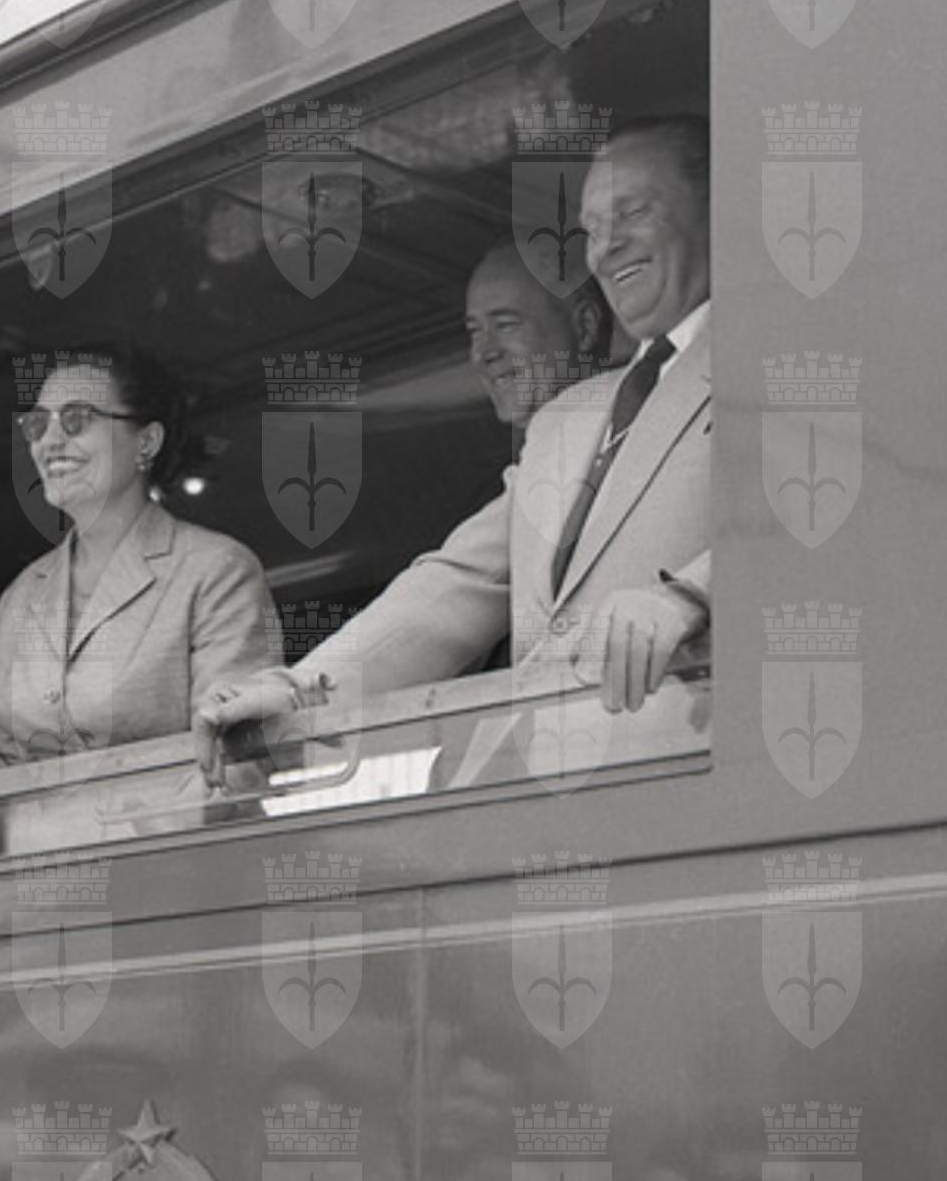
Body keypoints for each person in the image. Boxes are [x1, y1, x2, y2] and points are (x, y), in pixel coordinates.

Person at [195, 115, 711, 770]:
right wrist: (299, 693)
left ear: (716, 205)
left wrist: (690, 596)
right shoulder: (566, 420)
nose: (604, 249)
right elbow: (456, 582)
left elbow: (824, 528)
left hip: (689, 772)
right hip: (528, 785)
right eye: (591, 229)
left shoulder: (777, 356)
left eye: (632, 212)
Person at [0, 344, 275, 780]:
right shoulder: (21, 597)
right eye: (37, 424)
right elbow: (12, 783)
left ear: (146, 441)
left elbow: (236, 763)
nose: (49, 442)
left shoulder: (214, 570)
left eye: (76, 420)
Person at [463, 240, 611, 438]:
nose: (485, 354)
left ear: (585, 326)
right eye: (475, 331)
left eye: (505, 325)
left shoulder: (642, 436)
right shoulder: (544, 452)